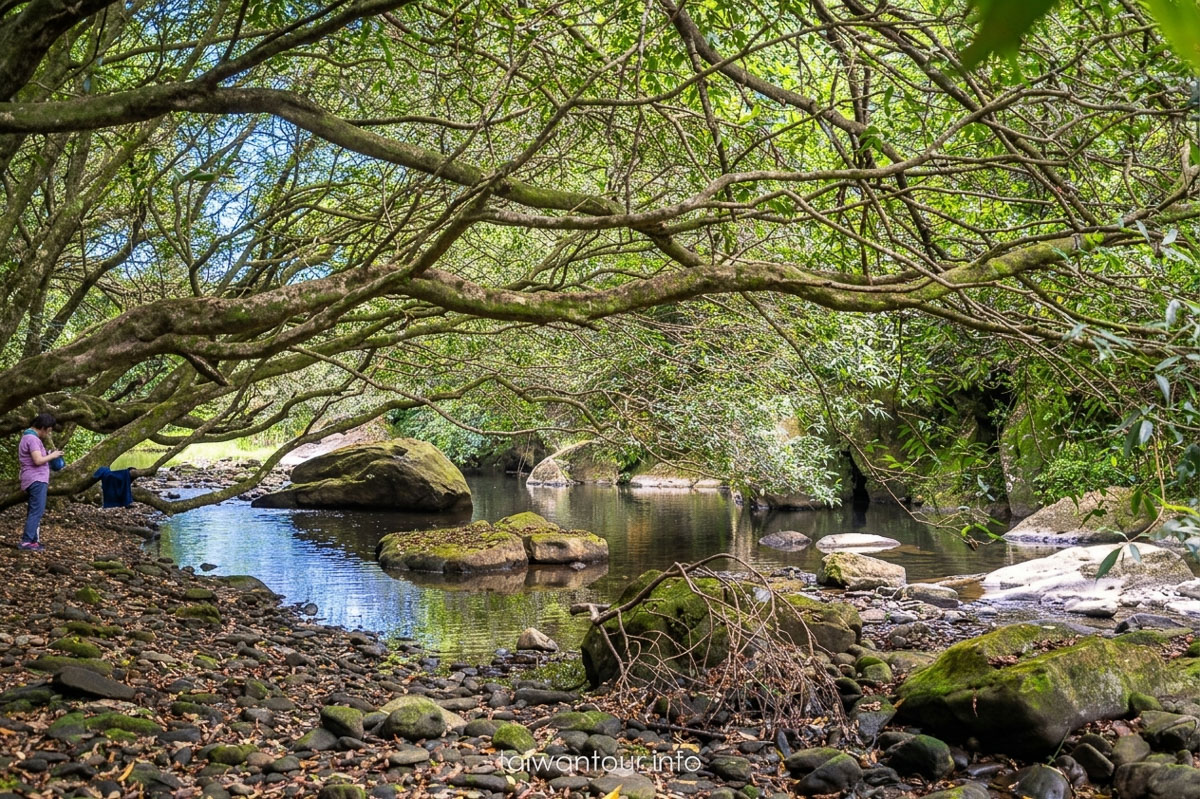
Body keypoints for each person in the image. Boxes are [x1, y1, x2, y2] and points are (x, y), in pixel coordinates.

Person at [18, 413, 62, 551]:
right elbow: (37, 460)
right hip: (36, 479)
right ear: (43, 427)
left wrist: (48, 453)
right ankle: (26, 541)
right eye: (48, 431)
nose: (48, 434)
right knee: (37, 511)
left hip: (32, 478)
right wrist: (53, 456)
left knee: (35, 510)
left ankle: (33, 541)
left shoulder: (28, 437)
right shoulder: (32, 439)